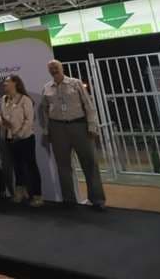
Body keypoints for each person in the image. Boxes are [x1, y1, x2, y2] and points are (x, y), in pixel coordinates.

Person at [40, 59, 106, 211]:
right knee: (63, 166)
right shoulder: (47, 88)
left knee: (89, 163)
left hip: (79, 126)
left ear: (61, 67)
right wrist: (47, 130)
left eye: (56, 66)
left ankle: (97, 200)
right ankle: (69, 200)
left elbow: (88, 105)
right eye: (51, 68)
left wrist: (92, 126)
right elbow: (44, 110)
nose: (54, 69)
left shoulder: (75, 84)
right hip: (58, 129)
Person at [0, 75, 43, 207]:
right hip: (10, 138)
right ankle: (20, 193)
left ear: (15, 83)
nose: (4, 84)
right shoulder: (4, 99)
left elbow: (29, 120)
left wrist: (19, 134)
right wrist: (1, 122)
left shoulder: (25, 99)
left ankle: (37, 195)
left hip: (25, 138)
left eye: (7, 82)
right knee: (17, 166)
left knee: (31, 167)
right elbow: (0, 115)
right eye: (4, 82)